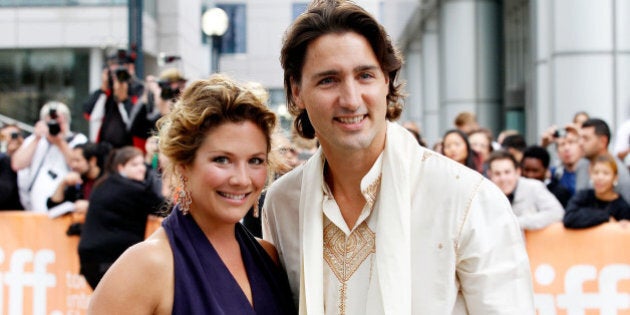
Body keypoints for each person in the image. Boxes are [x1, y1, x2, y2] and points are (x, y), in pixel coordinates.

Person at [262, 1, 535, 313]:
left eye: (364, 75)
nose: (351, 100)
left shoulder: (466, 198)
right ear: (297, 91)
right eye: (328, 80)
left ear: (386, 80)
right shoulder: (283, 204)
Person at [87, 75, 296, 314]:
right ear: (184, 163)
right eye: (222, 160)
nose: (241, 179)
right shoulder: (147, 265)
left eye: (255, 161)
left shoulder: (268, 257)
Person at [78, 146, 165, 290]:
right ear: (120, 167)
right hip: (109, 259)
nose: (141, 168)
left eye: (143, 164)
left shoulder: (104, 183)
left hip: (93, 257)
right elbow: (164, 207)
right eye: (134, 165)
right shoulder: (132, 190)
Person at [12, 101, 88, 212]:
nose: (55, 126)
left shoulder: (78, 139)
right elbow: (17, 164)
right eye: (51, 123)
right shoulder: (36, 140)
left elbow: (80, 165)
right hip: (35, 205)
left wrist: (60, 142)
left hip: (67, 202)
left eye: (59, 122)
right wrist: (37, 138)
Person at [487, 150, 564, 231]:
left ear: (517, 172)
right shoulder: (486, 195)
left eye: (507, 172)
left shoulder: (533, 187)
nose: (503, 178)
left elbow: (557, 213)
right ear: (489, 175)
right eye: (497, 174)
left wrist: (517, 222)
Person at [564, 153, 630, 229]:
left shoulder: (622, 207)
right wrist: (605, 217)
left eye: (606, 173)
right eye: (596, 172)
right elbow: (569, 218)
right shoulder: (583, 196)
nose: (600, 178)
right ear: (591, 174)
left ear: (615, 178)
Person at [576, 118, 630, 204]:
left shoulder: (619, 171)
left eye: (586, 139)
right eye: (580, 138)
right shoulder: (582, 164)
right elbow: (577, 203)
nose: (580, 143)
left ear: (603, 141)